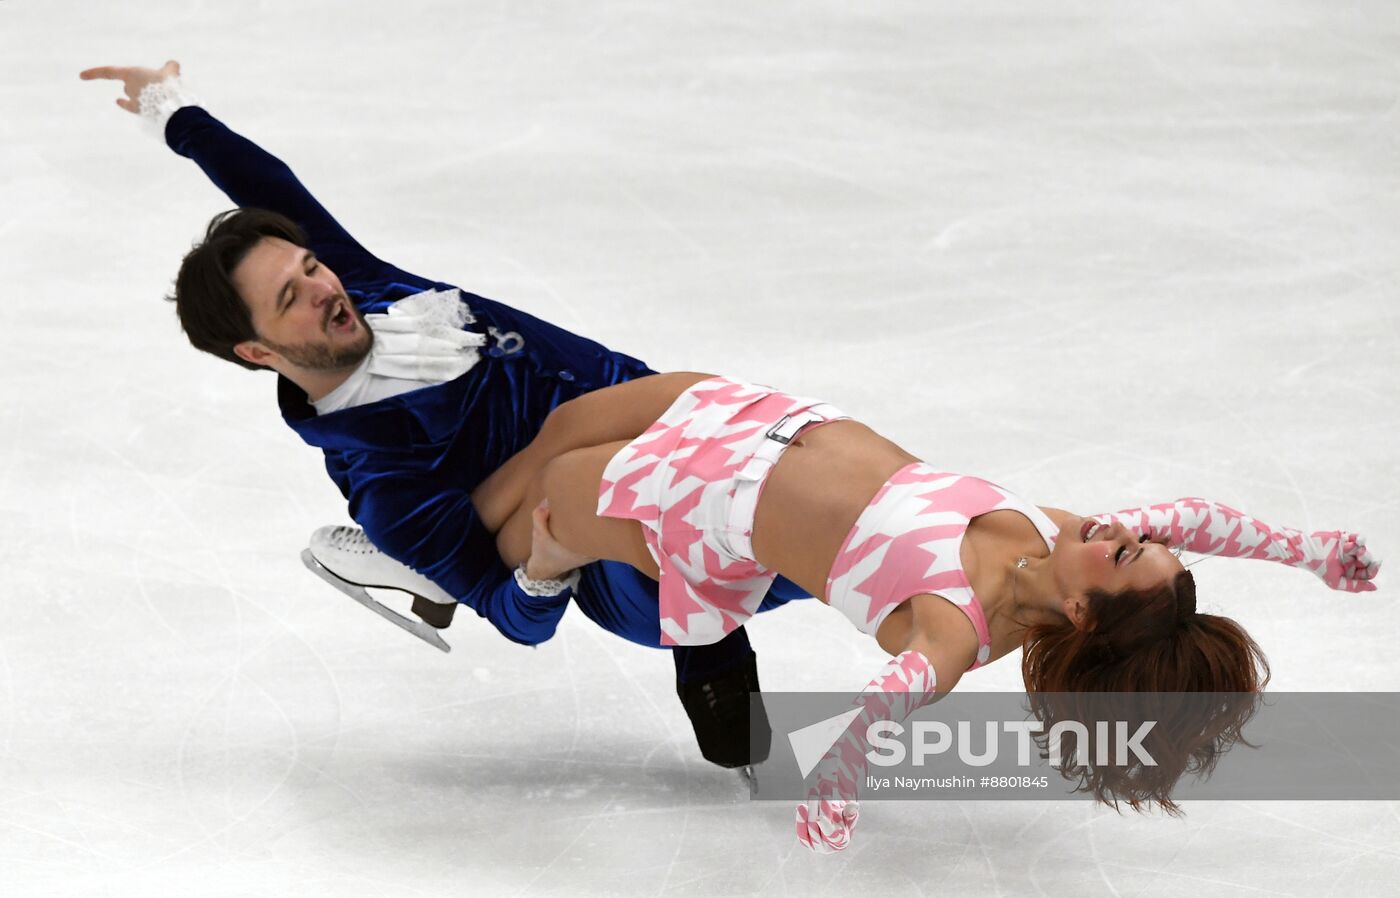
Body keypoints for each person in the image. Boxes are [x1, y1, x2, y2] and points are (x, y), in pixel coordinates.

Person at [78, 60, 808, 768]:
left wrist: (170, 111)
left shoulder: (361, 285)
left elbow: (261, 178)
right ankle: (812, 678)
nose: (322, 288)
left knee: (846, 499)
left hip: (683, 426)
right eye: (288, 299)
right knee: (812, 527)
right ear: (255, 350)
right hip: (629, 561)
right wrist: (545, 568)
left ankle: (828, 694)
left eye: (309, 267)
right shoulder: (386, 480)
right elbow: (517, 619)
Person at [463, 371, 1382, 851]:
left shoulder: (954, 628)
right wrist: (1309, 553)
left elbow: (885, 707)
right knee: (561, 427)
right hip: (760, 418)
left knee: (538, 507)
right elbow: (1198, 519)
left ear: (1081, 610)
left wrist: (834, 788)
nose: (1122, 528)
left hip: (694, 502)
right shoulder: (1063, 538)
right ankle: (436, 547)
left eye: (1127, 553)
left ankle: (456, 572)